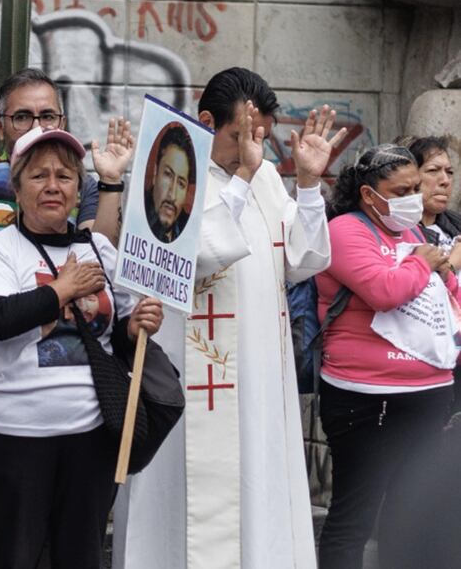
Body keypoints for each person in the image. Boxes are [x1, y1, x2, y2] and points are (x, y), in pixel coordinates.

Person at [114, 67, 345, 569]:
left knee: (255, 491)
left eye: (261, 136)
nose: (254, 147)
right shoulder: (168, 171)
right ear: (206, 122)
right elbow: (199, 250)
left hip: (258, 377)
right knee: (179, 502)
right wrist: (242, 176)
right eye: (243, 135)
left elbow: (303, 260)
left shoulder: (262, 175)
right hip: (185, 377)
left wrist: (306, 184)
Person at [0, 69, 134, 568]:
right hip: (15, 430)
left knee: (80, 552)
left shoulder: (96, 243)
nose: (53, 186)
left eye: (65, 177)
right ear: (16, 182)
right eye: (38, 176)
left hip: (90, 434)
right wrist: (63, 291)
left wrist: (140, 323)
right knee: (0, 538)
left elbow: (123, 320)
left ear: (79, 187)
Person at [315, 144, 460, 568]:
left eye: (416, 187)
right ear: (368, 194)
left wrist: (443, 268)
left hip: (428, 395)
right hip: (366, 399)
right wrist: (423, 264)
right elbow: (383, 291)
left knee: (411, 517)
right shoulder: (345, 231)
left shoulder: (415, 234)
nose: (414, 198)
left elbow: (449, 295)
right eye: (401, 191)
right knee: (354, 517)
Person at [403, 135, 461, 411]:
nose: (445, 180)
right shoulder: (397, 231)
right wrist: (452, 263)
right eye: (433, 170)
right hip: (418, 363)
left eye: (449, 172)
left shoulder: (456, 227)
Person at [144, 124, 195, 243]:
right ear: (155, 173)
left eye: (181, 184)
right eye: (168, 175)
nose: (172, 195)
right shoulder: (134, 211)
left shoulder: (190, 233)